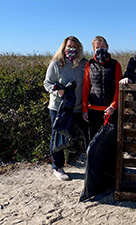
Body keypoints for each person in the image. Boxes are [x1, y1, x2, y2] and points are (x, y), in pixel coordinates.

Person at [44, 36, 89, 181]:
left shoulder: (84, 64)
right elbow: (47, 83)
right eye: (69, 46)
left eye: (75, 47)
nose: (71, 49)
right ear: (63, 47)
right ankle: (57, 167)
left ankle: (92, 164)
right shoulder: (56, 64)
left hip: (78, 107)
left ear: (79, 49)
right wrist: (57, 91)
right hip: (59, 107)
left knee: (88, 133)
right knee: (57, 136)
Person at [82, 36, 122, 139]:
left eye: (103, 47)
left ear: (107, 47)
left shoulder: (115, 64)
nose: (100, 49)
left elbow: (118, 88)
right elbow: (86, 88)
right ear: (94, 49)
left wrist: (113, 106)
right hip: (93, 110)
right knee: (94, 140)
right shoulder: (89, 65)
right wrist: (84, 109)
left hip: (110, 110)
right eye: (97, 47)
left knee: (110, 140)